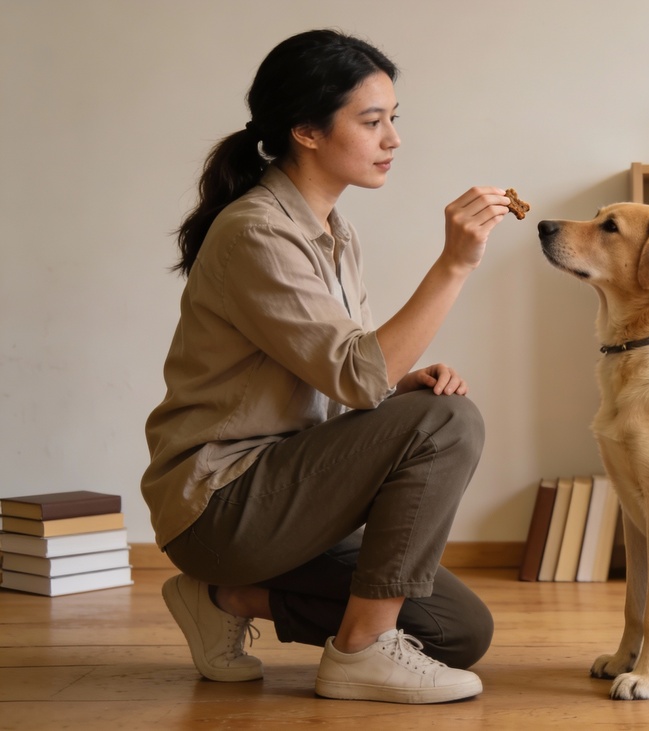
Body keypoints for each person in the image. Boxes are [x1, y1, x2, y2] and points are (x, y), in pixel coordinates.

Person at [141, 29, 511, 704]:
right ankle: (362, 654)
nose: (392, 139)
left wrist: (399, 384)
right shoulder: (256, 232)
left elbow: (346, 381)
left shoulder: (335, 233)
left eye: (393, 119)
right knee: (447, 421)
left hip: (290, 494)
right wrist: (455, 263)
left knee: (457, 629)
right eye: (372, 122)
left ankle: (226, 598)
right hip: (223, 503)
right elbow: (355, 373)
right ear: (306, 132)